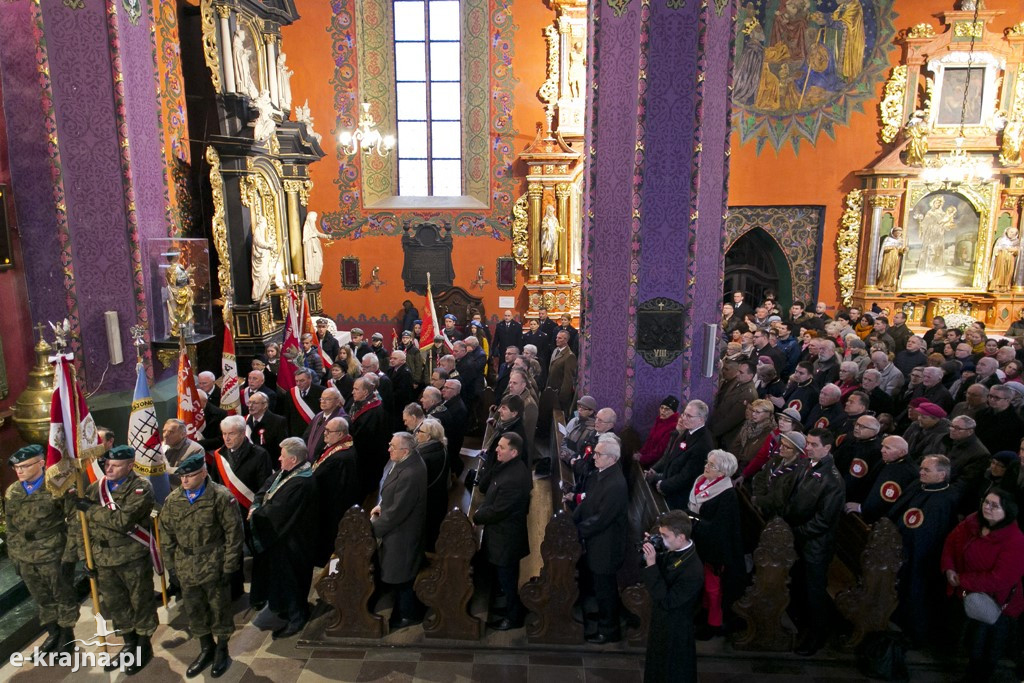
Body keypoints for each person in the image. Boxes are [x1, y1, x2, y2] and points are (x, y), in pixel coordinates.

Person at [158, 452, 243, 678]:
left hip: (213, 562)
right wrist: (171, 567)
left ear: (204, 472)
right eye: (182, 477)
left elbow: (234, 533)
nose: (184, 481)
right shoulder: (174, 500)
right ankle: (206, 648)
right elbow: (165, 534)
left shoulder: (221, 496)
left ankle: (222, 649)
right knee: (195, 610)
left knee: (219, 609)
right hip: (186, 564)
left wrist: (229, 566)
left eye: (190, 476)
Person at [75, 445, 158, 674]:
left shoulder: (140, 488)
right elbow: (79, 527)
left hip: (131, 556)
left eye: (116, 465)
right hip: (102, 559)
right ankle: (129, 644)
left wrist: (91, 510)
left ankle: (143, 646)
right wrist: (86, 557)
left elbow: (122, 521)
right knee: (116, 604)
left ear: (130, 466)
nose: (109, 468)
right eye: (107, 464)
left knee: (140, 602)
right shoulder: (95, 488)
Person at [5, 445, 79, 656]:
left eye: (24, 466)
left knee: (62, 596)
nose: (19, 471)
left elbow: (75, 521)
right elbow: (11, 527)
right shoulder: (13, 491)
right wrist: (14, 556)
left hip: (52, 552)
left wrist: (70, 554)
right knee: (41, 598)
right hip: (25, 555)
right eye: (16, 467)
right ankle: (53, 632)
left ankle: (67, 636)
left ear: (41, 463)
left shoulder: (57, 485)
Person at [783, 428, 844, 656]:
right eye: (807, 443)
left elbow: (824, 520)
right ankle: (801, 623)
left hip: (816, 546)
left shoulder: (833, 480)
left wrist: (797, 531)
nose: (808, 448)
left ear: (827, 449)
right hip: (802, 539)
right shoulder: (807, 464)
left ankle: (817, 636)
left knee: (814, 591)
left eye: (814, 445)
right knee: (801, 585)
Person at [249, 438, 318, 639]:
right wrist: (257, 504)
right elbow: (268, 484)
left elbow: (278, 510)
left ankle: (297, 617)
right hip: (284, 541)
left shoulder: (301, 481)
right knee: (283, 580)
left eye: (282, 456)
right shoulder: (289, 472)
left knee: (292, 581)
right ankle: (285, 608)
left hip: (294, 543)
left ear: (294, 459)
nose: (278, 459)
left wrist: (256, 513)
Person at [889, 454, 960, 646]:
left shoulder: (944, 500)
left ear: (941, 475)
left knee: (916, 591)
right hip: (904, 549)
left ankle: (914, 633)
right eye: (921, 468)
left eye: (926, 470)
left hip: (923, 556)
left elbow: (929, 533)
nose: (920, 472)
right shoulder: (920, 486)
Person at [567, 433, 629, 644]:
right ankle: (601, 618)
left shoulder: (615, 485)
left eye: (599, 454)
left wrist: (576, 532)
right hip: (597, 540)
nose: (594, 457)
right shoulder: (601, 474)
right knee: (599, 584)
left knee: (606, 589)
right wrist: (572, 521)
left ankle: (609, 630)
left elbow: (602, 519)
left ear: (612, 459)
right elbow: (588, 501)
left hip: (607, 544)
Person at [473, 432, 533, 631]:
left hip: (506, 538)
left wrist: (477, 515)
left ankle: (513, 617)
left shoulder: (514, 478)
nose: (497, 450)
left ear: (514, 452)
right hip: (500, 534)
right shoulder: (508, 467)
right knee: (503, 577)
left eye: (502, 447)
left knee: (507, 580)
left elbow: (499, 510)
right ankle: (509, 608)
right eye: (498, 445)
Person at [371, 432, 428, 630]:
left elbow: (397, 512)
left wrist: (372, 529)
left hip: (403, 532)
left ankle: (408, 613)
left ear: (405, 450)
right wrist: (382, 505)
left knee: (403, 572)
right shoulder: (406, 462)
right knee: (399, 570)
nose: (388, 449)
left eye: (392, 447)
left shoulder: (410, 473)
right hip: (399, 528)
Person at [642, 510, 704, 683]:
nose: (662, 539)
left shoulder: (693, 571)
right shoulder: (675, 548)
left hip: (675, 629)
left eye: (664, 536)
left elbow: (668, 601)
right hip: (662, 623)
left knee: (671, 672)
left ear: (681, 537)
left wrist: (652, 564)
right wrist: (651, 549)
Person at [688, 449, 744, 640]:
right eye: (707, 462)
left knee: (714, 588)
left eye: (712, 465)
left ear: (722, 473)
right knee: (705, 583)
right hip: (701, 543)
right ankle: (703, 613)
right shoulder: (702, 482)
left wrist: (693, 522)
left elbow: (719, 529)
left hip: (716, 549)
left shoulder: (727, 495)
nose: (706, 466)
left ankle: (713, 623)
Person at [311, 417, 360, 567]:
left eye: (328, 431)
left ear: (340, 434)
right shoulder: (338, 446)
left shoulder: (341, 457)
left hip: (333, 505)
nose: (325, 434)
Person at [347, 376, 390, 498]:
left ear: (365, 392)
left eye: (356, 389)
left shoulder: (372, 410)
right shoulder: (365, 403)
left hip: (368, 457)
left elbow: (363, 437)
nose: (352, 392)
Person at [415, 418, 450, 552]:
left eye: (420, 431)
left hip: (428, 502)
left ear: (428, 436)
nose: (417, 433)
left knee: (427, 535)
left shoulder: (424, 456)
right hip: (439, 498)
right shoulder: (442, 448)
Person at [303, 387, 346, 463]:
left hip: (327, 461)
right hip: (310, 461)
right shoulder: (318, 416)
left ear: (337, 401)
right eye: (322, 399)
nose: (323, 402)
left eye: (328, 399)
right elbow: (306, 436)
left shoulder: (341, 420)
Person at [636, 396, 680, 467]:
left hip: (657, 464)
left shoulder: (673, 426)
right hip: (648, 459)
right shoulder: (659, 421)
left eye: (667, 409)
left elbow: (660, 451)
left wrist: (643, 459)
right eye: (661, 408)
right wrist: (641, 453)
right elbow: (649, 440)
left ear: (673, 412)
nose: (663, 411)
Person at [244, 391, 288, 463]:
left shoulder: (278, 421)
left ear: (264, 405)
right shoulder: (245, 421)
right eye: (249, 402)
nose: (250, 406)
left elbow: (282, 447)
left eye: (254, 403)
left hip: (269, 464)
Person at [546, 330, 578, 415]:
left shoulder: (569, 356)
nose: (556, 339)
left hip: (559, 396)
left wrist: (561, 398)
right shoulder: (555, 350)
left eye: (559, 338)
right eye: (556, 337)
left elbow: (568, 380)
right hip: (551, 392)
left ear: (566, 340)